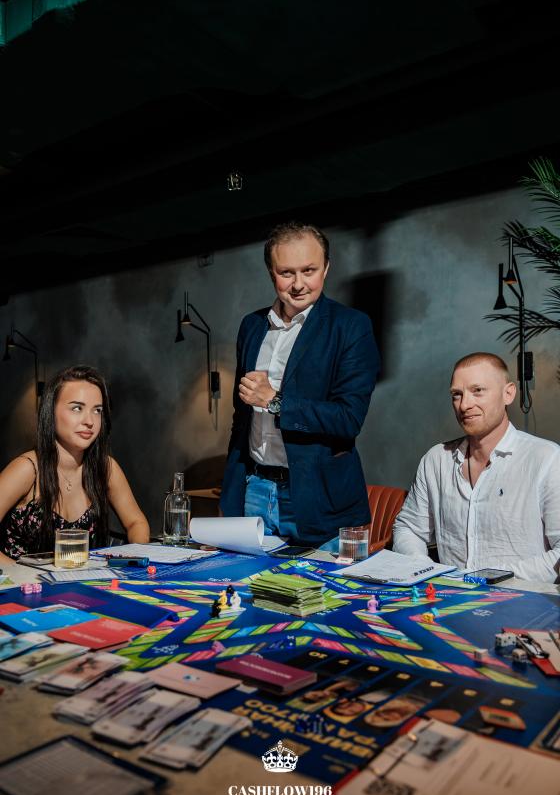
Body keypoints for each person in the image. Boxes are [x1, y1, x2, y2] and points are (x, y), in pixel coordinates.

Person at [220, 221, 380, 548]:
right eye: (286, 273)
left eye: (309, 270)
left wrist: (275, 401)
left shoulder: (351, 326)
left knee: (327, 585)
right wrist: (232, 490)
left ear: (326, 268)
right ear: (271, 273)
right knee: (245, 581)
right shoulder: (251, 326)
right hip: (254, 491)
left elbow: (348, 419)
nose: (298, 284)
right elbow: (241, 418)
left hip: (318, 500)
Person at [393, 352, 560, 582]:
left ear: (508, 393)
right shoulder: (436, 460)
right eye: (457, 394)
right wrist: (425, 572)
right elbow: (408, 528)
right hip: (448, 598)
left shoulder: (546, 459)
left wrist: (487, 580)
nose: (464, 405)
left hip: (522, 600)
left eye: (478, 390)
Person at [0, 365, 150, 564]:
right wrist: (23, 574)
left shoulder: (105, 468)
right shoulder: (27, 469)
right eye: (77, 408)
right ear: (50, 411)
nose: (89, 421)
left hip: (83, 581)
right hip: (17, 581)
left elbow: (136, 522)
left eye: (97, 410)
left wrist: (134, 558)